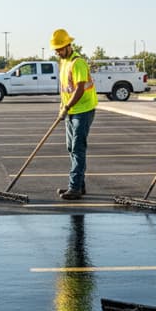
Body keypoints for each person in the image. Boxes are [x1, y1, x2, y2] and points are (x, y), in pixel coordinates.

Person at [49, 29, 97, 200]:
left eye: (60, 48)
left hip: (82, 111)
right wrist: (62, 107)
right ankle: (79, 185)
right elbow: (65, 90)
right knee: (71, 147)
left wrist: (67, 107)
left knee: (78, 148)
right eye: (56, 49)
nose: (58, 52)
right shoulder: (64, 62)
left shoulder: (78, 63)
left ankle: (74, 187)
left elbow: (79, 89)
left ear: (69, 46)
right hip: (70, 111)